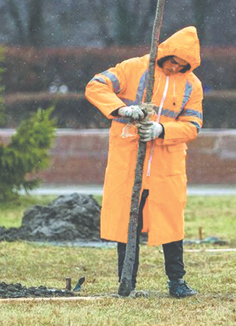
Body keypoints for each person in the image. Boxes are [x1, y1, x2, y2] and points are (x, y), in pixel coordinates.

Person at [85, 26, 203, 298]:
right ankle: (127, 282)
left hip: (167, 165)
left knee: (171, 222)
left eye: (183, 66)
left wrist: (162, 130)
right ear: (165, 53)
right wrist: (121, 109)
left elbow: (194, 125)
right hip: (128, 161)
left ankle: (177, 282)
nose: (176, 68)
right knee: (129, 224)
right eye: (174, 61)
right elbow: (95, 86)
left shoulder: (191, 85)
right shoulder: (133, 68)